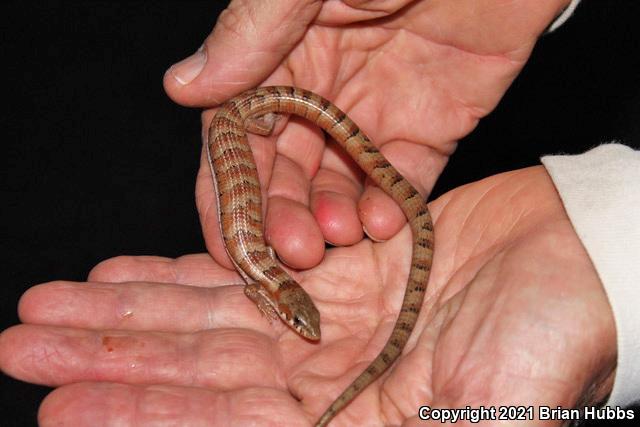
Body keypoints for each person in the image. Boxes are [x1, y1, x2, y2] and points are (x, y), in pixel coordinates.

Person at [0, 0, 637, 425]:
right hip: (249, 115)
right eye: (297, 318)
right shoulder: (261, 274)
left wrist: (605, 249)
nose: (303, 325)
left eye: (298, 318)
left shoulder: (260, 272)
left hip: (255, 114)